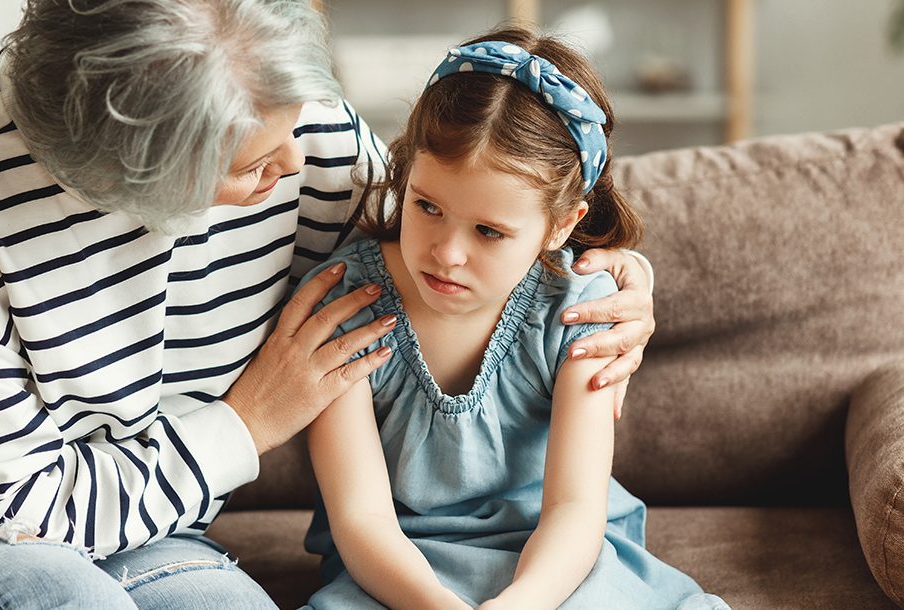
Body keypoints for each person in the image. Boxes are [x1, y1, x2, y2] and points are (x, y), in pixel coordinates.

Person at [0, 2, 655, 608]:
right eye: (255, 167)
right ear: (130, 186)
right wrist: (244, 424)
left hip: (139, 524)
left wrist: (618, 277)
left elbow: (464, 228)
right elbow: (8, 520)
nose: (298, 169)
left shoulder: (284, 118)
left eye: (300, 134)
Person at [301, 27, 726, 610]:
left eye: (489, 231)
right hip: (394, 568)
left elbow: (574, 510)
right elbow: (361, 520)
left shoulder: (581, 308)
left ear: (560, 225)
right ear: (406, 173)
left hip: (558, 561)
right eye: (426, 206)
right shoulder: (344, 303)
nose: (447, 252)